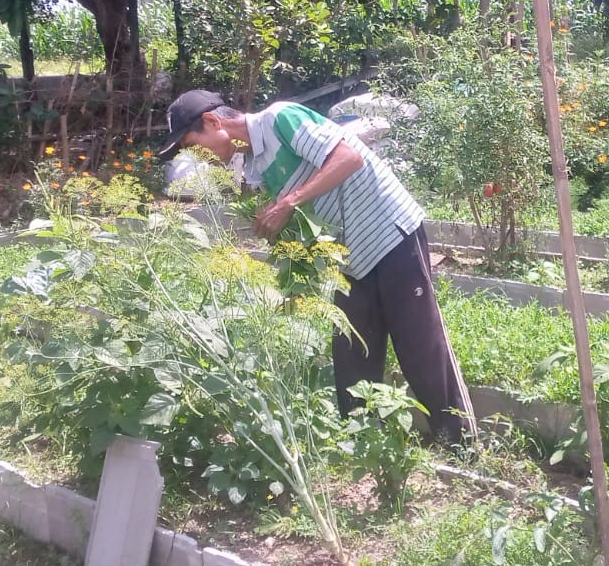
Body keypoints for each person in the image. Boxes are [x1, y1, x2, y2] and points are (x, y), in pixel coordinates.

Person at [159, 90, 475, 442]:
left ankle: (459, 441)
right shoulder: (253, 165)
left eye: (194, 145)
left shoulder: (281, 120)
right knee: (353, 351)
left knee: (419, 344)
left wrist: (289, 202)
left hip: (390, 233)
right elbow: (307, 213)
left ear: (213, 122)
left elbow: (348, 158)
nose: (199, 157)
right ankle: (361, 441)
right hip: (351, 257)